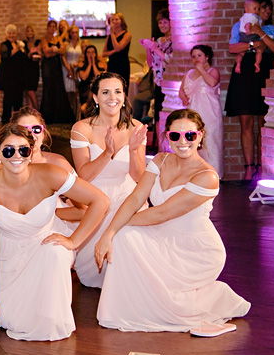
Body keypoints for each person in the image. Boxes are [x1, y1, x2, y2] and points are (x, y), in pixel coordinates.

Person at [94, 109, 251, 335]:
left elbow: (161, 214)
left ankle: (207, 300)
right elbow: (137, 197)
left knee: (122, 233)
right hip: (161, 236)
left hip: (195, 251)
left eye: (190, 135)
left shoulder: (207, 176)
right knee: (122, 237)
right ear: (167, 136)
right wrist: (110, 232)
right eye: (175, 136)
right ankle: (141, 307)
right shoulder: (161, 159)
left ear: (201, 136)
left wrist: (114, 228)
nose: (183, 141)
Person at [0, 124, 109, 341]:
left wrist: (74, 241)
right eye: (9, 150)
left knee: (54, 252)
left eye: (23, 150)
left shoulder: (51, 174)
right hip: (8, 257)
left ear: (31, 152)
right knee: (6, 317)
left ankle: (49, 315)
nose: (16, 156)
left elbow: (100, 201)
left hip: (45, 243)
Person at [67, 72, 147, 288]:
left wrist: (132, 151)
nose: (112, 97)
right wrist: (107, 153)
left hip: (127, 194)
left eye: (118, 92)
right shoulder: (82, 128)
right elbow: (83, 175)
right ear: (95, 98)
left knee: (131, 243)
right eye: (105, 92)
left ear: (124, 96)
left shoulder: (136, 127)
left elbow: (140, 177)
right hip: (94, 197)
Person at [224, 0, 274, 181]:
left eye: (269, 8)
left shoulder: (272, 28)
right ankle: (249, 167)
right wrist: (254, 44)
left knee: (263, 122)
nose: (267, 11)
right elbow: (233, 47)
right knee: (246, 122)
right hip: (244, 72)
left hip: (264, 73)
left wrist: (259, 32)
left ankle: (263, 167)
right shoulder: (239, 25)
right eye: (263, 8)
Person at [178, 45, 223, 175]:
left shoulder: (213, 71)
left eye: (199, 55)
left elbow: (212, 83)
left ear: (207, 57)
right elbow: (181, 90)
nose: (196, 59)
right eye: (194, 56)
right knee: (193, 141)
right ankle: (194, 173)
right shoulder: (189, 73)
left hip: (210, 113)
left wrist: (202, 70)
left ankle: (213, 174)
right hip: (193, 112)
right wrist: (183, 97)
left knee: (210, 142)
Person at [138, 9, 173, 148]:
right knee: (158, 115)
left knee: (168, 114)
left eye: (165, 21)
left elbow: (170, 60)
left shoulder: (175, 40)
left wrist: (155, 48)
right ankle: (160, 147)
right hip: (158, 82)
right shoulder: (159, 40)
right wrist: (148, 49)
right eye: (160, 22)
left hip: (170, 82)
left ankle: (169, 146)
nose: (162, 25)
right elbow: (151, 63)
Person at [35, 19, 74, 124]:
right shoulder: (44, 39)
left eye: (54, 27)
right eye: (50, 26)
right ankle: (48, 115)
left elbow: (62, 51)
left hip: (56, 65)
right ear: (47, 28)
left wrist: (54, 50)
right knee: (48, 88)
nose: (52, 28)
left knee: (58, 87)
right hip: (47, 66)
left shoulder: (58, 38)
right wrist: (54, 50)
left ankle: (60, 115)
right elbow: (46, 53)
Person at [0, 24, 28, 123]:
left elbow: (24, 58)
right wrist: (17, 49)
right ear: (6, 34)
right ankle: (6, 119)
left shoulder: (19, 44)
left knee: (18, 99)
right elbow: (6, 56)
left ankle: (17, 119)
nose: (11, 35)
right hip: (8, 76)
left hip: (18, 76)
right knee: (8, 99)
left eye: (13, 33)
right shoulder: (4, 44)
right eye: (9, 33)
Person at [234, 0, 263, 75]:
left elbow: (242, 22)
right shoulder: (252, 16)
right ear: (246, 9)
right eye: (255, 8)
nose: (257, 11)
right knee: (259, 50)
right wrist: (248, 30)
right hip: (250, 36)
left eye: (258, 9)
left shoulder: (244, 16)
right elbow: (248, 24)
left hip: (242, 36)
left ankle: (238, 64)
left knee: (240, 53)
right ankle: (257, 63)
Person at [75, 44, 105, 117]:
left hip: (96, 87)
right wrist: (89, 64)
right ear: (85, 53)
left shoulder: (100, 63)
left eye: (92, 52)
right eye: (88, 52)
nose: (90, 54)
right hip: (85, 87)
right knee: (87, 94)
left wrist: (93, 64)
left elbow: (98, 76)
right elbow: (84, 77)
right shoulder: (82, 63)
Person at [62, 24, 84, 120]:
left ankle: (76, 115)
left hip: (77, 68)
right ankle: (69, 115)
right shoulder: (66, 44)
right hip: (67, 68)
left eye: (76, 32)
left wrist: (77, 64)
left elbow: (83, 56)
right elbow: (62, 56)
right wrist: (68, 67)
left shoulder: (81, 44)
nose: (74, 34)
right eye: (73, 32)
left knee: (76, 92)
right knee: (68, 92)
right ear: (70, 34)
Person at [103, 12, 132, 85]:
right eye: (112, 20)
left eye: (116, 19)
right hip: (112, 65)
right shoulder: (109, 37)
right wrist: (113, 51)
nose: (114, 22)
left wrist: (112, 34)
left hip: (122, 65)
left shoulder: (127, 34)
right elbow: (104, 53)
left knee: (122, 87)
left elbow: (118, 48)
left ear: (121, 21)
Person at [22, 24, 41, 109]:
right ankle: (30, 111)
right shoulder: (24, 43)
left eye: (31, 30)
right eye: (28, 31)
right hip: (25, 69)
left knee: (31, 91)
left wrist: (38, 54)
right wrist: (31, 52)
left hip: (34, 69)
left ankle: (37, 111)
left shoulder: (38, 42)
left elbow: (41, 56)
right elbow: (24, 57)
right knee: (26, 91)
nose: (29, 33)